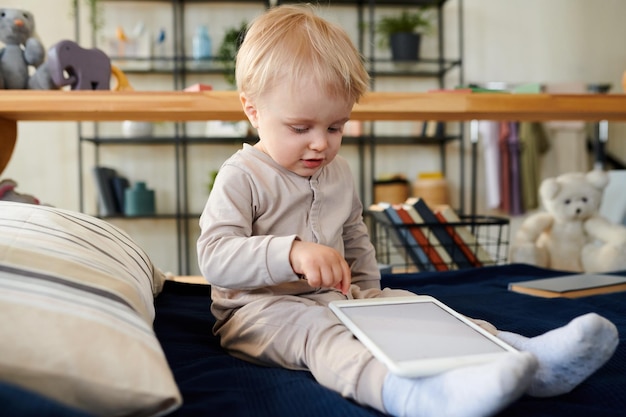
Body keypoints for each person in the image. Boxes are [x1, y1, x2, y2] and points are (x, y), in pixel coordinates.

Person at [197, 4, 619, 417]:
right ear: (253, 110)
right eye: (300, 128)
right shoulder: (242, 175)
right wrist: (289, 253)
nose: (321, 143)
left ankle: (524, 356)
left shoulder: (337, 171)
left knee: (415, 309)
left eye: (335, 127)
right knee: (319, 336)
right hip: (257, 313)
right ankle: (409, 396)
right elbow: (215, 257)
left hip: (334, 298)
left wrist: (370, 296)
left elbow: (354, 236)